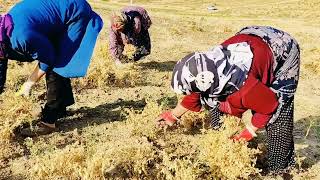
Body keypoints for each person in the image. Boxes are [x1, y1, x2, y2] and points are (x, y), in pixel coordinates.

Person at [156, 26, 300, 174]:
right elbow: (196, 93)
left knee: (278, 116)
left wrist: (249, 132)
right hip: (250, 37)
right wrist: (173, 115)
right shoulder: (208, 68)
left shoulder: (245, 89)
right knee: (214, 101)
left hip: (281, 48)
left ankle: (281, 169)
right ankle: (222, 137)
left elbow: (269, 106)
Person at [0, 0, 103, 136]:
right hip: (54, 13)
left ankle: (49, 121)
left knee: (58, 64)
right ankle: (61, 107)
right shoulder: (3, 28)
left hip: (75, 12)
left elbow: (48, 58)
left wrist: (28, 84)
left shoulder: (22, 36)